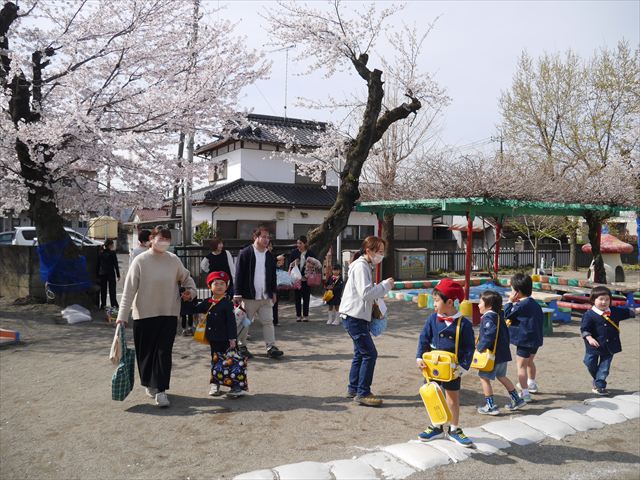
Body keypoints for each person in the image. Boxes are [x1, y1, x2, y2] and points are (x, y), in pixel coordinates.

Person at [115, 227, 196, 408]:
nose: (164, 242)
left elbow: (187, 278)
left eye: (168, 239)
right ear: (151, 239)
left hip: (169, 313)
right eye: (161, 238)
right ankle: (149, 383)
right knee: (146, 354)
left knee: (163, 353)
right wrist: (122, 316)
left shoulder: (173, 260)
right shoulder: (140, 261)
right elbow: (129, 290)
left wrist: (191, 292)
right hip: (144, 315)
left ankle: (161, 390)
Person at [416, 278, 475, 447]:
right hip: (432, 367)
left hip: (452, 369)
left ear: (449, 302)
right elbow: (423, 338)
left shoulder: (464, 324)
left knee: (452, 399)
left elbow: (469, 347)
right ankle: (436, 426)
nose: (434, 304)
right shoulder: (432, 319)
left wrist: (463, 367)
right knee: (433, 396)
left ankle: (454, 429)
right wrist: (419, 357)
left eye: (436, 301)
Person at [338, 236, 394, 407]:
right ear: (368, 251)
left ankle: (353, 388)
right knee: (370, 353)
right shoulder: (361, 266)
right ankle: (363, 392)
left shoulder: (363, 265)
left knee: (360, 353)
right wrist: (385, 286)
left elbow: (366, 293)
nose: (381, 255)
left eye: (382, 252)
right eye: (379, 252)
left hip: (353, 315)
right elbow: (366, 293)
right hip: (354, 317)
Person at [193, 271, 247, 398]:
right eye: (216, 284)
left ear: (226, 286)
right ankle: (215, 384)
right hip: (214, 339)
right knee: (216, 361)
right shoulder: (207, 302)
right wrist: (186, 299)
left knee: (232, 362)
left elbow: (231, 323)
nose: (219, 286)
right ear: (209, 286)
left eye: (222, 284)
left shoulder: (227, 303)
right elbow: (194, 309)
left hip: (227, 339)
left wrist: (232, 338)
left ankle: (236, 387)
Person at [233, 226, 284, 359]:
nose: (267, 240)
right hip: (249, 296)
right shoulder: (245, 253)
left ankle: (271, 347)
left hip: (265, 296)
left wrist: (273, 292)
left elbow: (272, 276)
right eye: (264, 237)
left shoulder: (269, 255)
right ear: (255, 237)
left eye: (268, 237)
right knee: (245, 322)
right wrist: (237, 293)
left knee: (268, 322)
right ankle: (241, 346)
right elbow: (239, 274)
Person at [580, 286, 639, 396]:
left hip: (610, 345)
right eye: (601, 299)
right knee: (589, 362)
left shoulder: (614, 311)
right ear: (593, 300)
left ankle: (600, 386)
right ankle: (597, 379)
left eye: (607, 299)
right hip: (594, 346)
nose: (604, 302)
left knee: (604, 368)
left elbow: (630, 312)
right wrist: (589, 338)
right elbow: (584, 329)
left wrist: (637, 310)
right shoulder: (589, 315)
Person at [475, 290, 526, 415]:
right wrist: (509, 301)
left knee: (484, 378)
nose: (478, 305)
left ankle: (490, 406)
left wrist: (479, 348)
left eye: (480, 302)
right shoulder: (498, 315)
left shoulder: (488, 317)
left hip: (493, 356)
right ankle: (517, 399)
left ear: (489, 306)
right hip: (502, 354)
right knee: (501, 376)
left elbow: (490, 334)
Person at [504, 273, 544, 402]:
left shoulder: (520, 305)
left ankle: (525, 393)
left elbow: (507, 314)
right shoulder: (534, 304)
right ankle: (531, 383)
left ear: (517, 292)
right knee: (530, 362)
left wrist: (510, 301)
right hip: (535, 339)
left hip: (524, 341)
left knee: (521, 366)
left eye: (512, 290)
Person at [289, 235, 317, 322]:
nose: (298, 245)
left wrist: (307, 274)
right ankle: (298, 315)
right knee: (297, 297)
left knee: (306, 297)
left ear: (305, 244)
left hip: (306, 278)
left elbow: (315, 265)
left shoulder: (310, 253)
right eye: (297, 243)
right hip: (297, 278)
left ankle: (305, 315)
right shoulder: (294, 253)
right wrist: (294, 263)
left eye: (300, 243)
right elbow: (290, 265)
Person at [97, 239, 120, 310]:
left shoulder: (101, 253)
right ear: (110, 245)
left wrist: (97, 274)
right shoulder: (112, 253)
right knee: (112, 289)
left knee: (103, 290)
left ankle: (103, 305)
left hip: (102, 273)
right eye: (112, 244)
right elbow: (115, 264)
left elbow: (98, 264)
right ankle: (113, 304)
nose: (113, 246)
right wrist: (118, 274)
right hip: (111, 273)